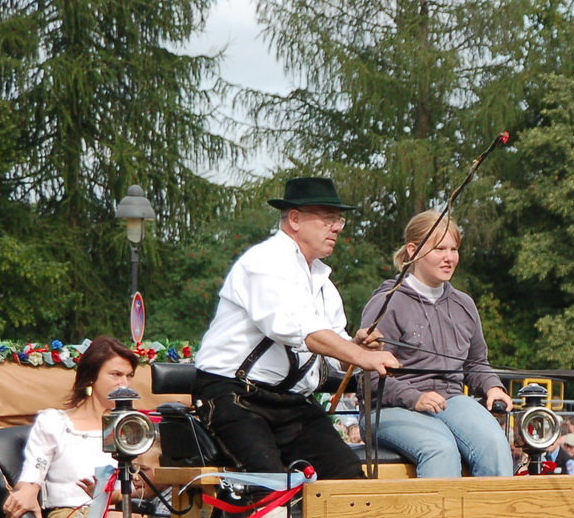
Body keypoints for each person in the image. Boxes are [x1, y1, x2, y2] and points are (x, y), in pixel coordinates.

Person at [194, 177, 397, 478]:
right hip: (234, 397)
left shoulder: (323, 284)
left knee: (348, 480)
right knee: (270, 485)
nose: (337, 227)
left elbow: (337, 360)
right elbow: (296, 328)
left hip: (292, 403)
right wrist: (361, 356)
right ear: (295, 219)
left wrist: (356, 349)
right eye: (328, 218)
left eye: (338, 219)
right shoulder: (264, 261)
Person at [357, 210, 514, 477]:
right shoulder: (387, 303)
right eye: (439, 248)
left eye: (454, 249)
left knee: (495, 444)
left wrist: (493, 387)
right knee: (440, 448)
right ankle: (439, 507)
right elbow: (368, 377)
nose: (449, 257)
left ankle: (492, 507)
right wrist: (415, 398)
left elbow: (476, 362)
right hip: (388, 409)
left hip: (450, 400)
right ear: (412, 250)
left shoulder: (464, 305)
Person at [3, 338, 141, 518]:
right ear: (91, 377)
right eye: (116, 375)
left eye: (129, 376)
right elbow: (31, 476)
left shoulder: (130, 427)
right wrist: (27, 491)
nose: (124, 384)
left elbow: (140, 485)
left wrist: (107, 495)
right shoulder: (55, 423)